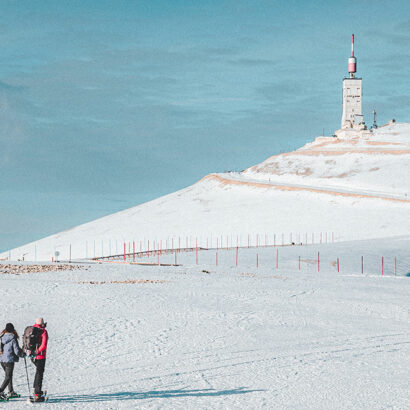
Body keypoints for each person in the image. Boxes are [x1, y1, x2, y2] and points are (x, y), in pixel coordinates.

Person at [0, 323, 25, 400]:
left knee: (8, 376)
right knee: (8, 377)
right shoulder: (13, 338)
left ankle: (11, 391)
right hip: (9, 360)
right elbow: (17, 351)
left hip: (2, 360)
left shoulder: (1, 337)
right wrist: (22, 354)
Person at [30, 318, 48, 402]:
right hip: (40, 356)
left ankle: (36, 390)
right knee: (39, 374)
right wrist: (37, 352)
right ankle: (37, 394)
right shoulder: (43, 331)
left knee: (38, 372)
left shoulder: (31, 330)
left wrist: (32, 353)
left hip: (32, 357)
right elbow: (43, 345)